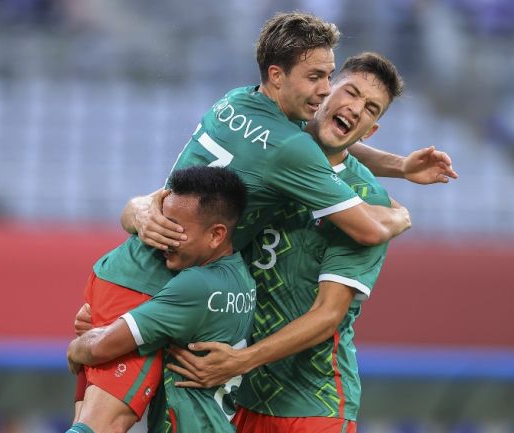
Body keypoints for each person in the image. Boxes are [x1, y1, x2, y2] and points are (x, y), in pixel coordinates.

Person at [166, 52, 410, 432]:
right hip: (246, 396)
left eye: (371, 108)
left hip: (315, 403)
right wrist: (138, 211)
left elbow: (329, 315)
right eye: (351, 92)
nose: (356, 109)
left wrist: (239, 361)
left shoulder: (366, 200)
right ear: (325, 92)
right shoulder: (265, 156)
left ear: (371, 130)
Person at [66, 166, 254, 433]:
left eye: (175, 228)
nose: (162, 236)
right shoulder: (242, 280)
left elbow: (100, 348)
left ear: (216, 235)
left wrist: (76, 347)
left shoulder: (195, 286)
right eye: (162, 221)